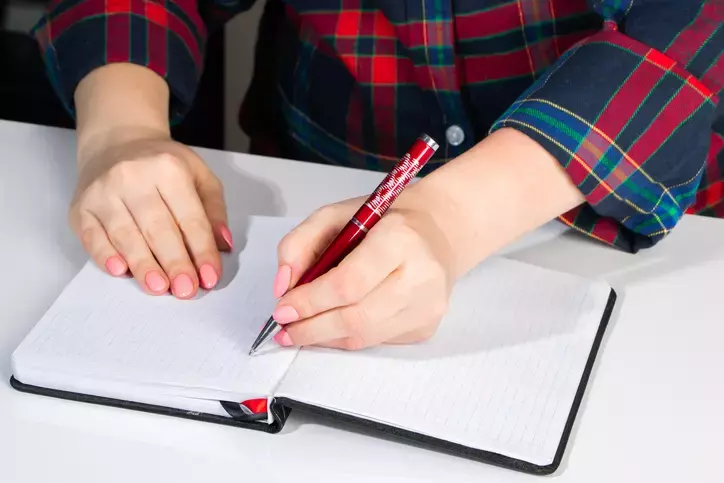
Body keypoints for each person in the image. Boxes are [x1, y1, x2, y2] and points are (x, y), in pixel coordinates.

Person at [33, 1, 722, 350]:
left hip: (644, 231)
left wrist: (449, 218)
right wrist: (121, 130)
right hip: (314, 186)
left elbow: (694, 27)